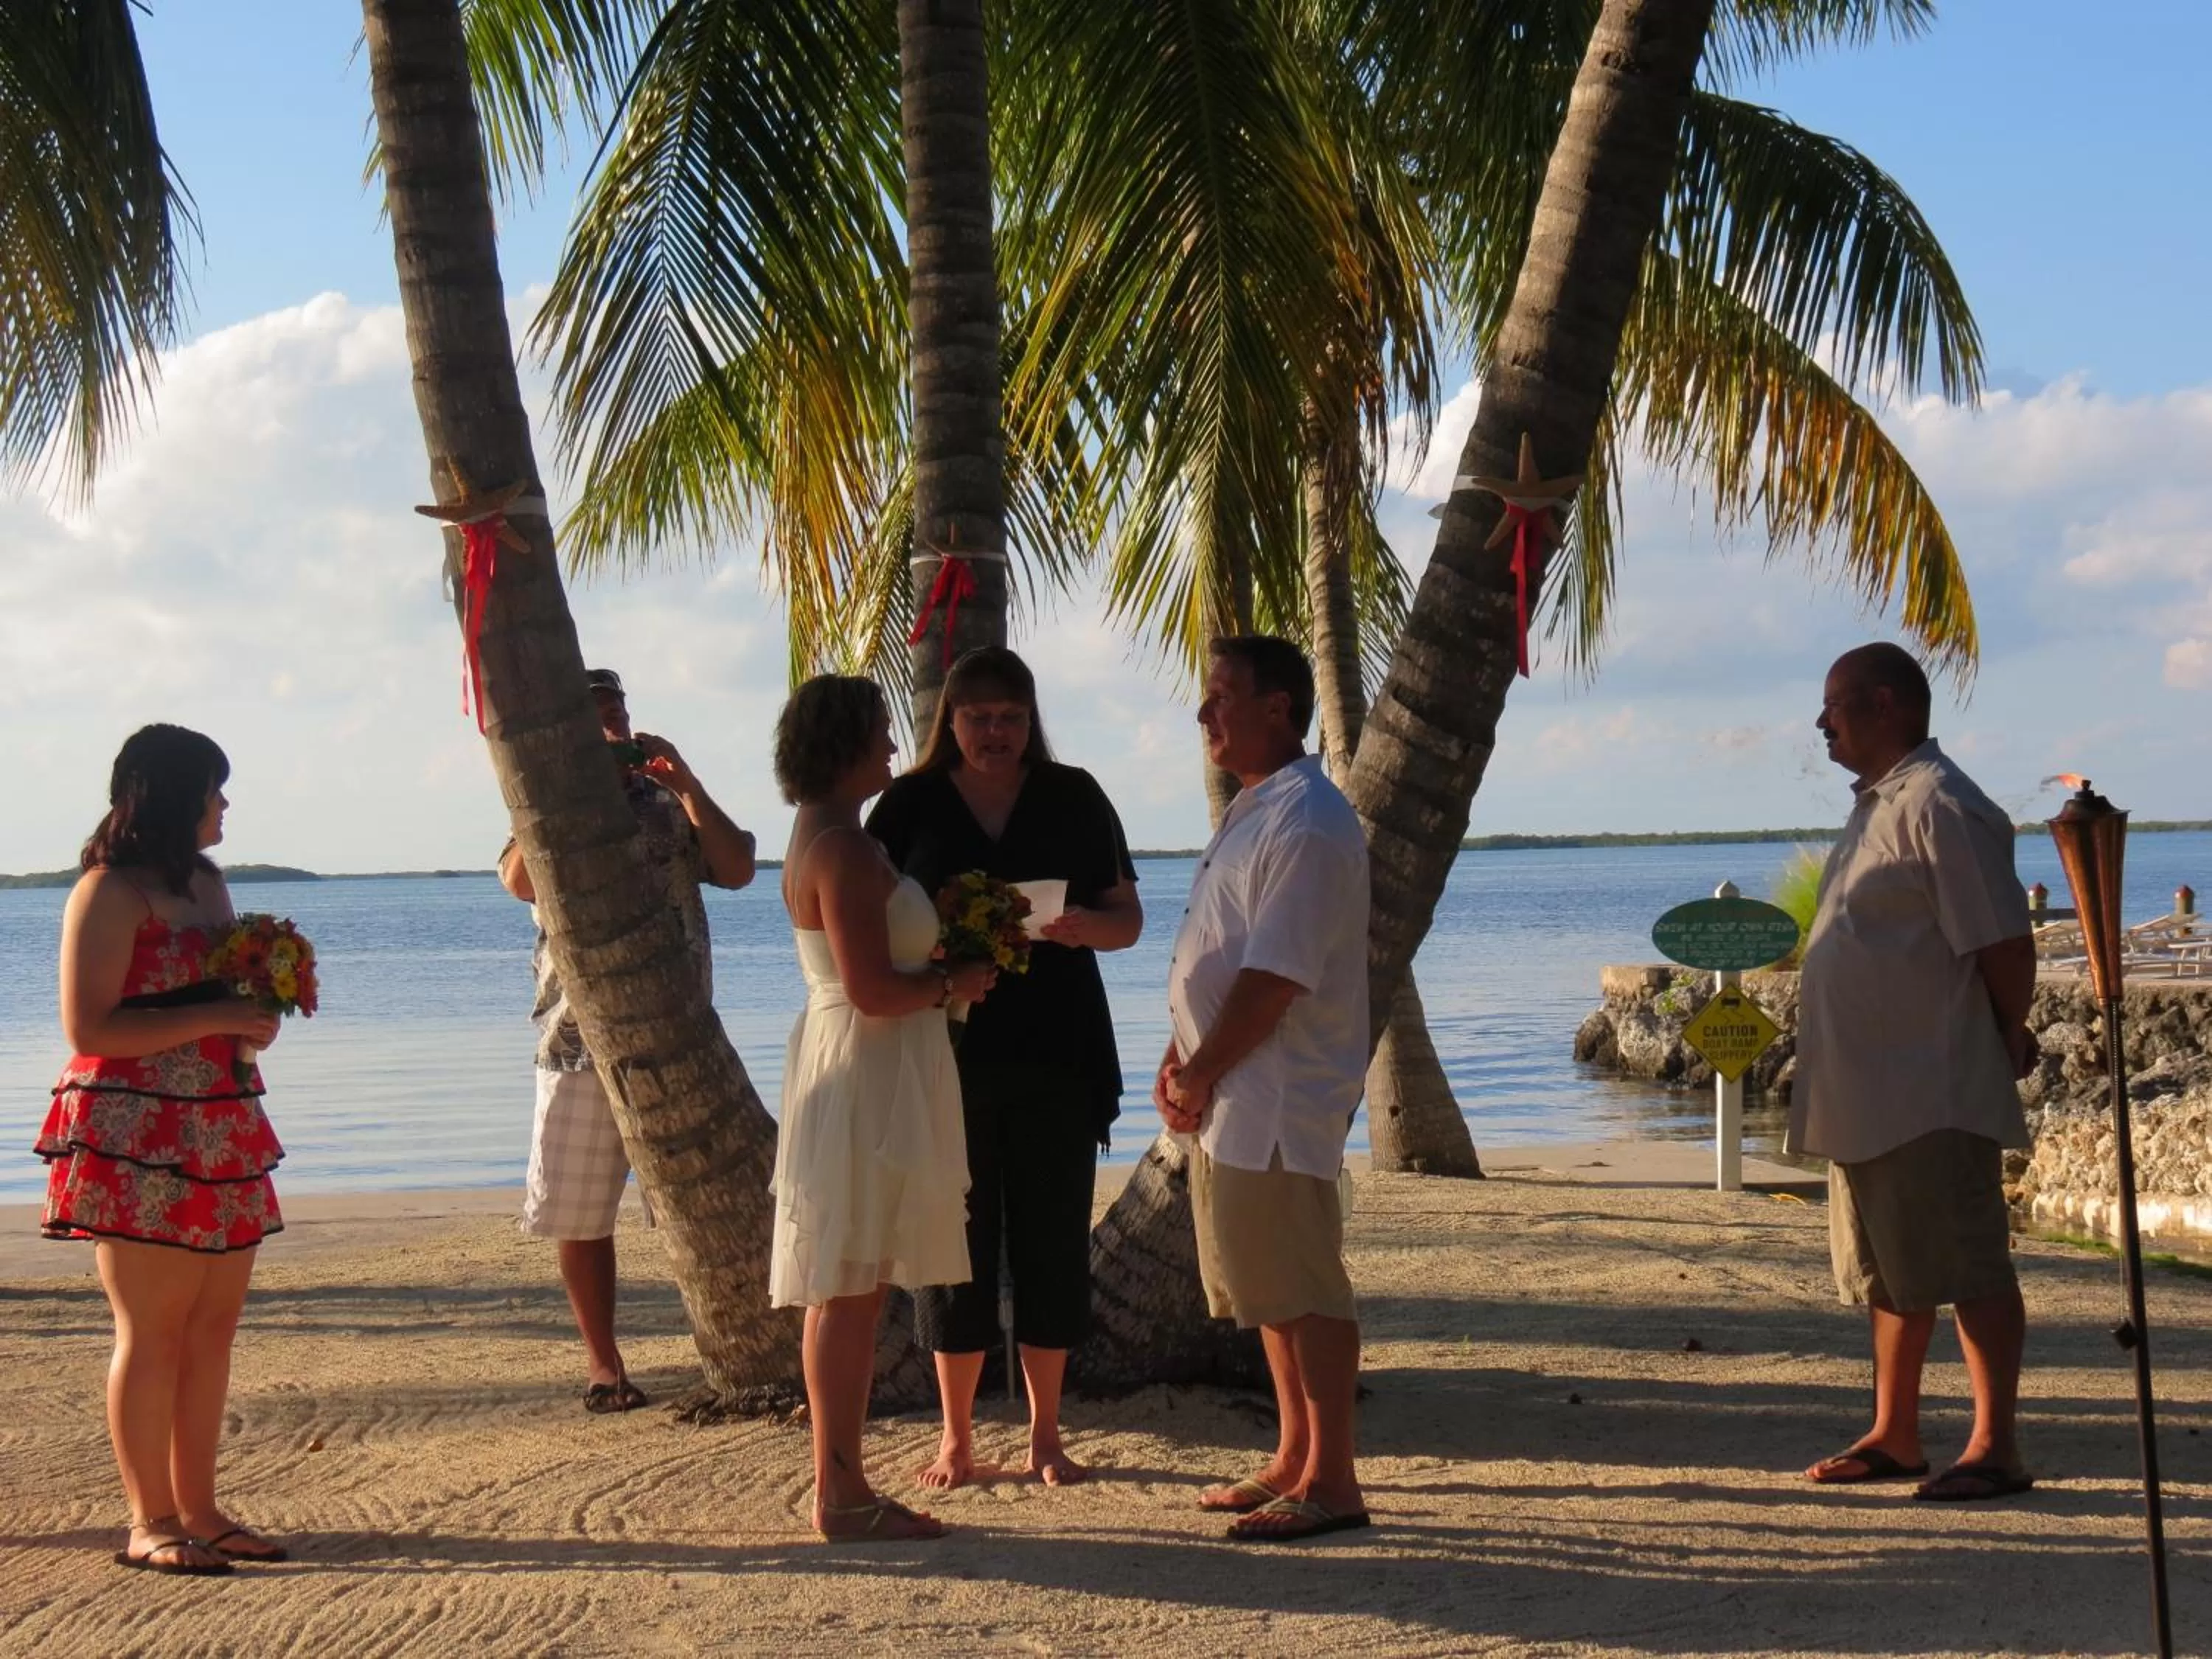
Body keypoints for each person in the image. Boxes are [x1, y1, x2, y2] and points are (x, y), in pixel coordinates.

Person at [868, 647, 1144, 1490]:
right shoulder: (908, 802)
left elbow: (1126, 918)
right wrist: (941, 950)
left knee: (1053, 1242)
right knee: (957, 1247)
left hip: (1060, 1051)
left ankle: (1047, 1436)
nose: (997, 734)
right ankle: (956, 1439)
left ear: (1033, 721)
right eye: (981, 719)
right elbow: (869, 927)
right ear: (949, 723)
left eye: (1013, 719)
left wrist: (1075, 932)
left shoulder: (1075, 794)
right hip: (945, 1052)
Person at [35, 726, 290, 1574]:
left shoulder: (210, 886)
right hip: (136, 1132)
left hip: (219, 1120)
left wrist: (255, 1019)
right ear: (175, 798)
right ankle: (150, 1521)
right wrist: (217, 1017)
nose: (225, 806)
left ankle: (203, 1510)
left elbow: (224, 996)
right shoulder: (108, 892)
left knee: (213, 1330)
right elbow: (90, 1026)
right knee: (152, 1331)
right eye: (215, 790)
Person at [1791, 641, 2039, 1502]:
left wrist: (2010, 1032)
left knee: (1968, 1264)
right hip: (1868, 1095)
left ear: (1888, 704)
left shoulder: (1939, 803)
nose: (1822, 723)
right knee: (1891, 1273)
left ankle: (1995, 1445)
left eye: (1837, 705)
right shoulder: (1881, 804)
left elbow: (2003, 939)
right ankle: (1896, 1433)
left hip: (1928, 1085)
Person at [771, 675, 997, 1541]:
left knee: (845, 1287)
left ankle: (843, 1484)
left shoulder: (824, 836)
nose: (894, 751)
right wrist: (954, 980)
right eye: (879, 736)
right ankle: (844, 1492)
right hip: (864, 1066)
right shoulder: (841, 848)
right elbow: (870, 989)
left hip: (853, 1059)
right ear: (845, 746)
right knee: (849, 1288)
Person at [1158, 636, 1372, 1543]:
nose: (1205, 714)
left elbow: (1275, 975)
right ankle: (1292, 1456)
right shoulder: (1257, 807)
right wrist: (1182, 1064)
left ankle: (1333, 1479)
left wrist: (1201, 1070)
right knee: (1265, 1289)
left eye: (1221, 697)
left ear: (1278, 707)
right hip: (1231, 1093)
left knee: (1304, 1286)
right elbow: (1218, 954)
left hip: (1275, 1092)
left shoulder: (1309, 820)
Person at [498, 667, 756, 1413]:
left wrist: (685, 780)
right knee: (579, 1215)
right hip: (576, 1035)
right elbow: (520, 879)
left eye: (617, 714)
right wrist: (561, 788)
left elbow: (737, 868)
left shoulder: (670, 804)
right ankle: (604, 1366)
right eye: (594, 718)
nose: (611, 729)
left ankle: (730, 1347)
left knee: (699, 1203)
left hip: (679, 1029)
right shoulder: (545, 800)